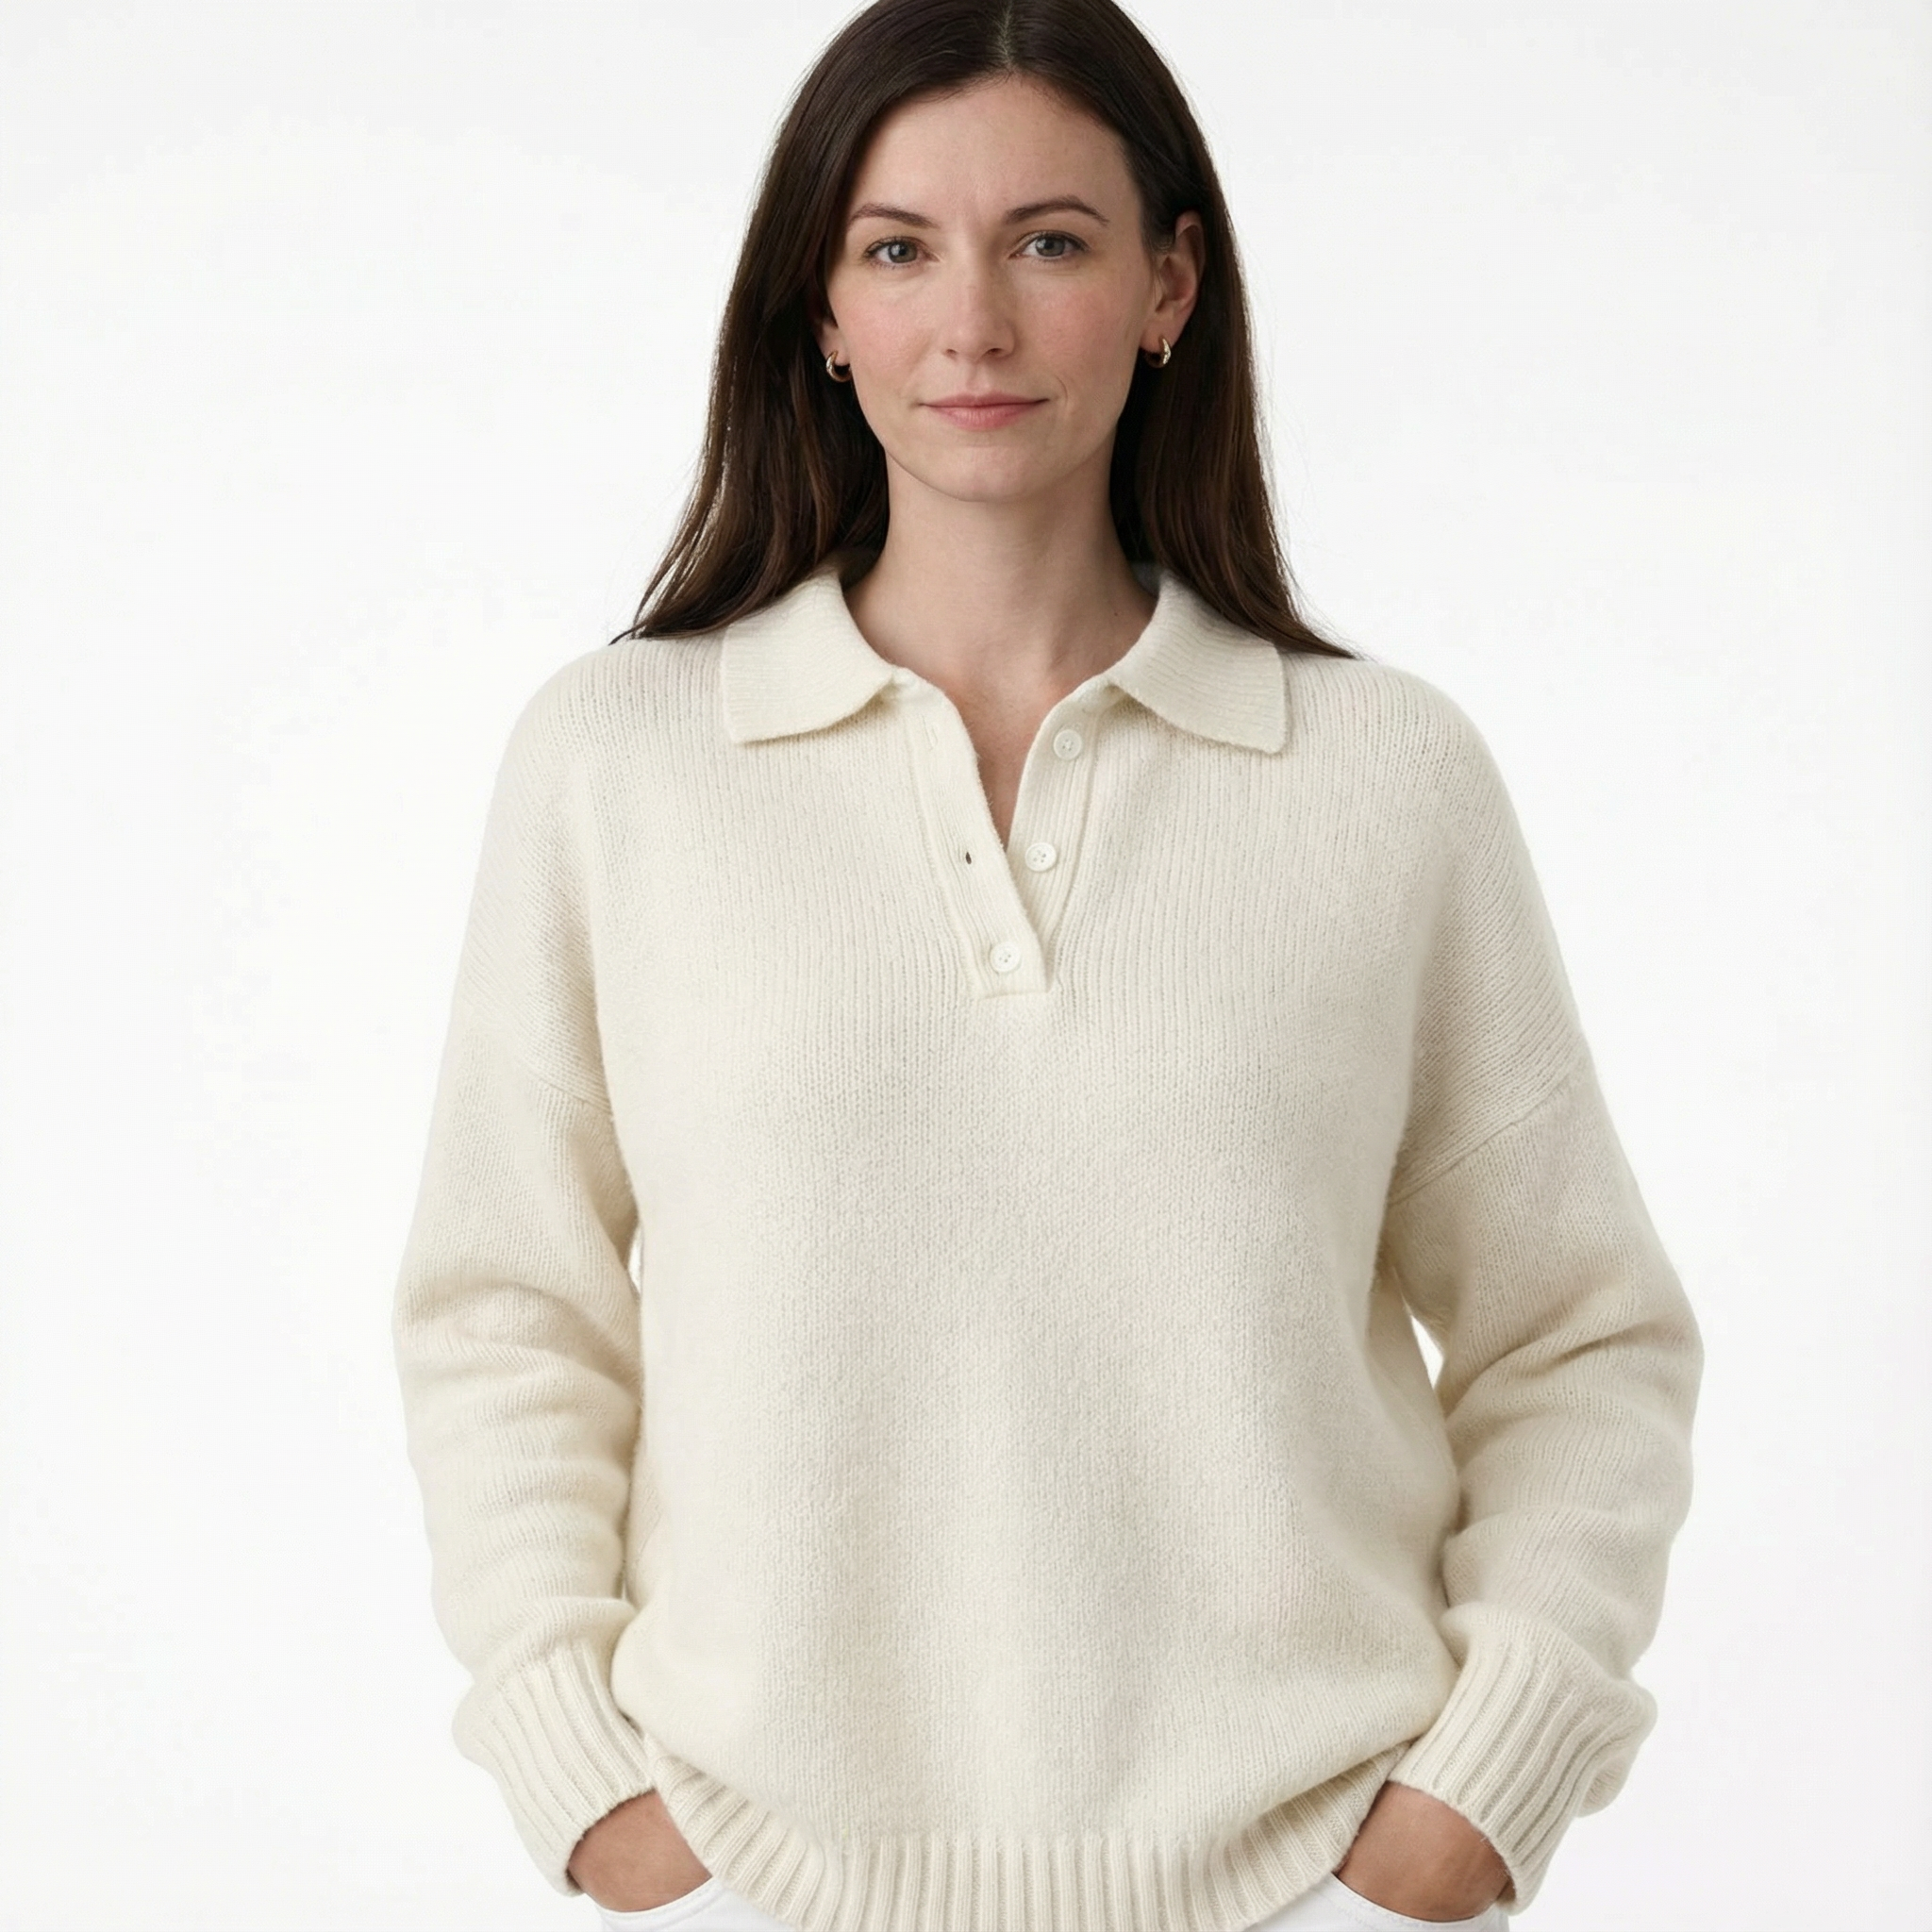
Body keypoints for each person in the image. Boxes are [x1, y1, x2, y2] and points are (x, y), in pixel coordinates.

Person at [390, 2, 1704, 1928]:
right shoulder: (620, 765)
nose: (974, 325)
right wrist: (583, 1779)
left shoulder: (1380, 778)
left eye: (1050, 242)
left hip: (1304, 1878)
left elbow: (1576, 1333)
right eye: (898, 249)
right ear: (820, 309)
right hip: (758, 1879)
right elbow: (508, 1312)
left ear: (1170, 285)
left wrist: (1476, 1797)